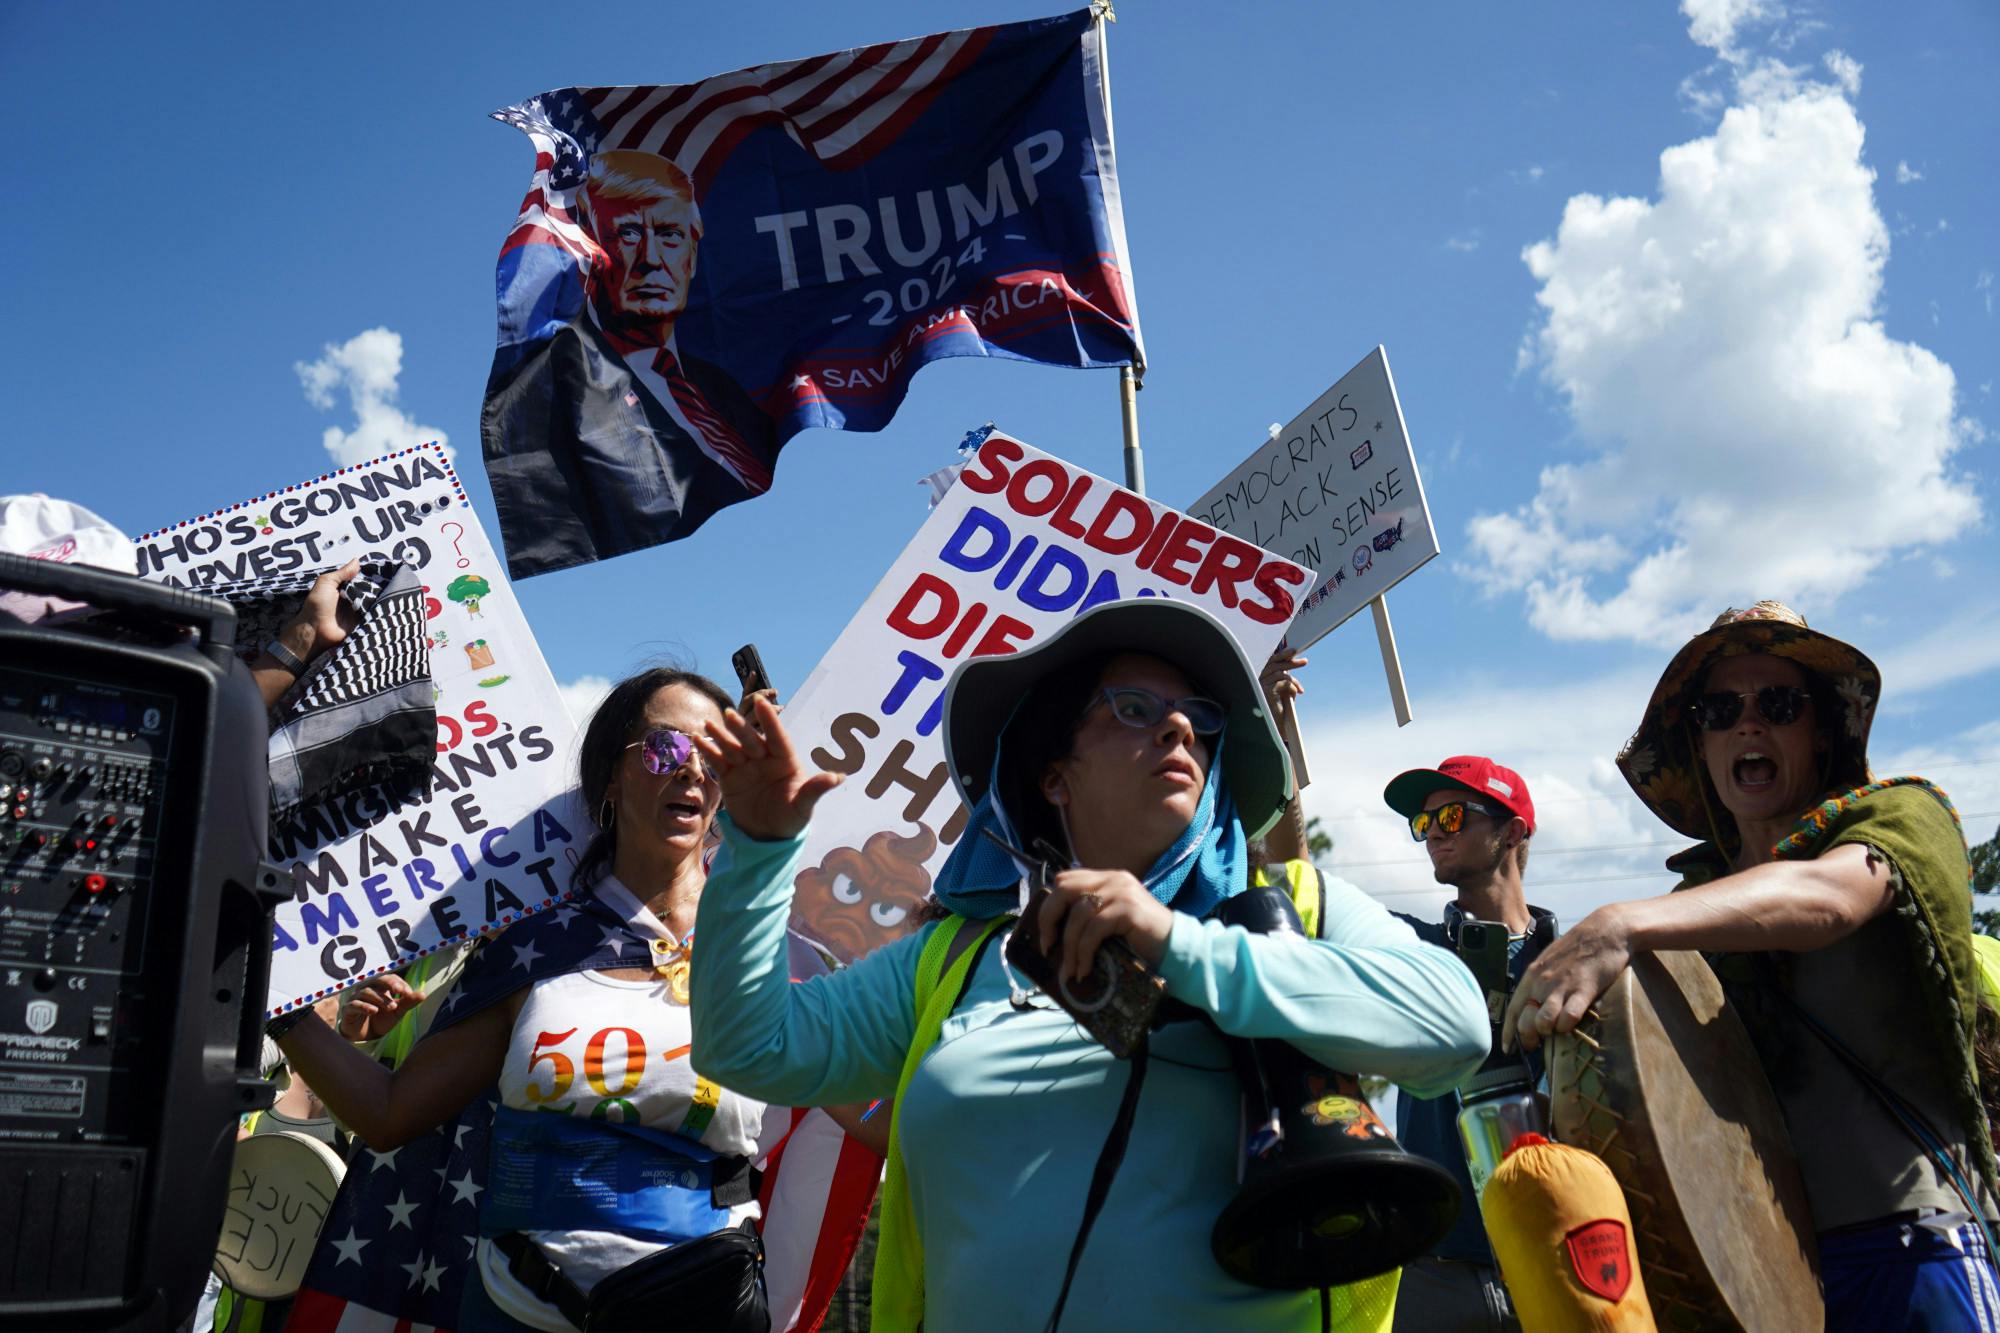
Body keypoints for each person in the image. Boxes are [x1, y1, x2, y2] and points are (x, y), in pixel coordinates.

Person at [687, 598, 1489, 1331]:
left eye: (1198, 719)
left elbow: (1456, 1024)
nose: (1177, 730)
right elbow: (749, 1046)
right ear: (1054, 777)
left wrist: (1179, 943)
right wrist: (757, 849)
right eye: (1134, 709)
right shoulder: (956, 957)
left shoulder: (1298, 910)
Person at [272, 666, 854, 1332]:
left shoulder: (784, 961)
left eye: (714, 753)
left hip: (703, 1307)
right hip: (512, 1308)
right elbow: (388, 1112)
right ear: (612, 776)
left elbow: (881, 1117)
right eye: (666, 749)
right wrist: (277, 995)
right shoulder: (534, 945)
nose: (691, 771)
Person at [1502, 601, 2000, 1330]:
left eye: (1778, 703)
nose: (1748, 723)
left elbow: (1828, 897)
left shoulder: (1902, 815)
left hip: (1916, 1256)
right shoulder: (1687, 909)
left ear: (1821, 729)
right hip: (1764, 1292)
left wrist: (1621, 922)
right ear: (1698, 744)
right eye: (1720, 708)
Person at [482, 151, 778, 574]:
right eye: (629, 234)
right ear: (593, 254)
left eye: (671, 235)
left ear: (693, 254)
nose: (652, 259)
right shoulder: (554, 399)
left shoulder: (727, 392)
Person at [1380, 757, 1557, 1332]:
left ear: (1510, 832)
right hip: (1436, 1273)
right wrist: (1276, 745)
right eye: (1424, 823)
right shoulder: (1413, 949)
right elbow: (1297, 885)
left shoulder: (1577, 961)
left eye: (1451, 816)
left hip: (1559, 1256)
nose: (1432, 832)